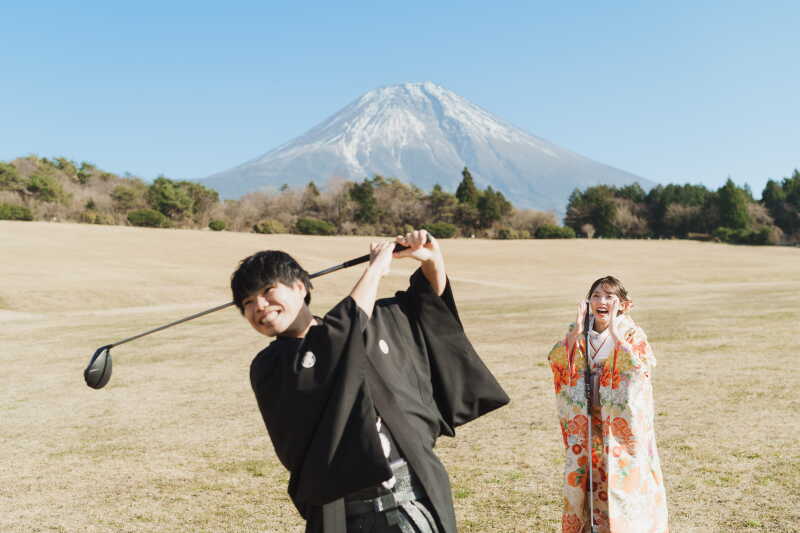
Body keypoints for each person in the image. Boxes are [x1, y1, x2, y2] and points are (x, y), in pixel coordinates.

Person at [231, 230, 509, 533]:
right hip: (340, 515)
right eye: (248, 301)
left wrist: (431, 258)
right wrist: (376, 268)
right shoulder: (270, 367)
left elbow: (428, 307)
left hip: (412, 500)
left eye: (268, 290)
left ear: (300, 286)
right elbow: (334, 341)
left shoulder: (368, 325)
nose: (259, 305)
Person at [546, 276, 668, 533]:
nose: (601, 302)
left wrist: (614, 333)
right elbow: (557, 361)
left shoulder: (632, 333)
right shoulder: (580, 330)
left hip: (620, 424)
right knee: (591, 476)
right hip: (589, 418)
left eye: (609, 297)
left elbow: (639, 369)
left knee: (623, 478)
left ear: (625, 305)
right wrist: (575, 331)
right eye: (596, 296)